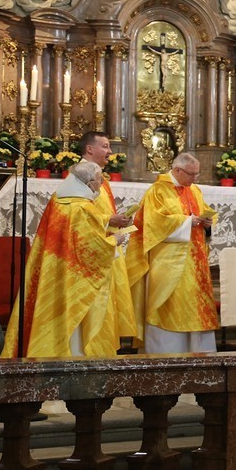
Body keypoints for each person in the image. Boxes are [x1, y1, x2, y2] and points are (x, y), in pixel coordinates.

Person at [1, 161, 131, 358]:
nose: (101, 184)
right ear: (88, 183)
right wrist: (114, 240)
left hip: (55, 270)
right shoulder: (82, 207)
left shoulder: (59, 200)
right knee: (76, 326)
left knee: (56, 313)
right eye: (98, 180)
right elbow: (90, 248)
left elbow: (75, 233)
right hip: (77, 279)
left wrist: (105, 221)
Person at [126, 153, 219, 353]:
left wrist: (207, 223)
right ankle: (165, 355)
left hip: (195, 262)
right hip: (168, 261)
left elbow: (203, 212)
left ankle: (199, 355)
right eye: (191, 174)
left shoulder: (194, 190)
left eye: (197, 174)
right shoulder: (157, 191)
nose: (195, 179)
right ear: (177, 170)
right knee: (169, 306)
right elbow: (153, 224)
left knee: (195, 307)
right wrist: (186, 222)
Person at [78, 131, 136, 341]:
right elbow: (78, 213)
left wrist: (116, 219)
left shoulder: (99, 176)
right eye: (105, 146)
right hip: (91, 253)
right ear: (90, 149)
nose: (110, 151)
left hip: (106, 248)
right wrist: (108, 219)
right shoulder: (80, 175)